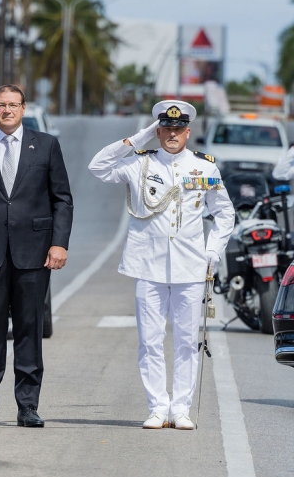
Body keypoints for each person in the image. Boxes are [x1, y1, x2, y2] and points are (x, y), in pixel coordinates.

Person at [88, 100, 235, 430]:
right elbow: (98, 167)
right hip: (149, 267)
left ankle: (180, 408)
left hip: (190, 267)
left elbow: (225, 214)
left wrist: (213, 250)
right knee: (150, 341)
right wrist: (140, 138)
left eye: (177, 130)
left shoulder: (205, 169)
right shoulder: (140, 165)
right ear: (159, 131)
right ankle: (157, 407)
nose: (172, 135)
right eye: (165, 129)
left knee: (186, 341)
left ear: (187, 132)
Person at [0, 83, 74, 429]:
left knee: (29, 329)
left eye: (13, 105)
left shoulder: (47, 145)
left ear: (23, 109)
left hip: (34, 254)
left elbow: (61, 199)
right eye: (1, 105)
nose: (7, 110)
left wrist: (59, 243)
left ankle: (28, 405)